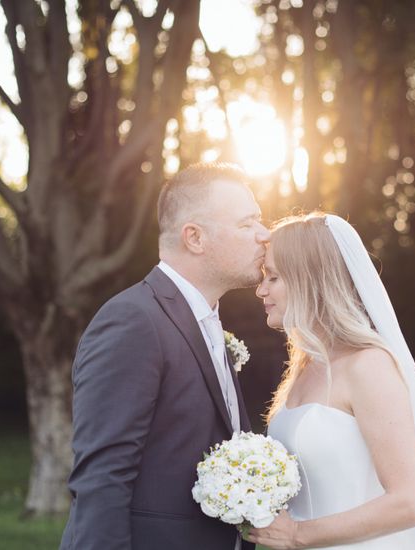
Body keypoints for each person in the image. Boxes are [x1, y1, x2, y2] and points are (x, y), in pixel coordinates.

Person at [59, 162, 269, 550]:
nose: (264, 234)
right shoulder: (134, 321)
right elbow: (102, 479)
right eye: (247, 224)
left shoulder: (205, 322)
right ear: (195, 238)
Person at [250, 212, 415, 550]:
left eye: (273, 277)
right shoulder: (304, 368)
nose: (261, 290)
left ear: (311, 279)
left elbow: (411, 502)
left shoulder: (368, 365)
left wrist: (297, 535)